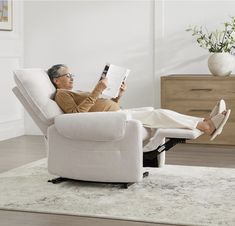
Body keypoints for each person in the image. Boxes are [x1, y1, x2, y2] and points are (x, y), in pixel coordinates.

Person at [47, 64, 231, 145]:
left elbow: (97, 104)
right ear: (57, 80)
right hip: (108, 120)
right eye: (67, 75)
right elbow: (76, 115)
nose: (72, 78)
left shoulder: (74, 91)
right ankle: (206, 126)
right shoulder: (61, 94)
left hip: (115, 113)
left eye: (72, 75)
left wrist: (118, 97)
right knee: (158, 115)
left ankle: (205, 121)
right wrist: (97, 90)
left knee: (159, 113)